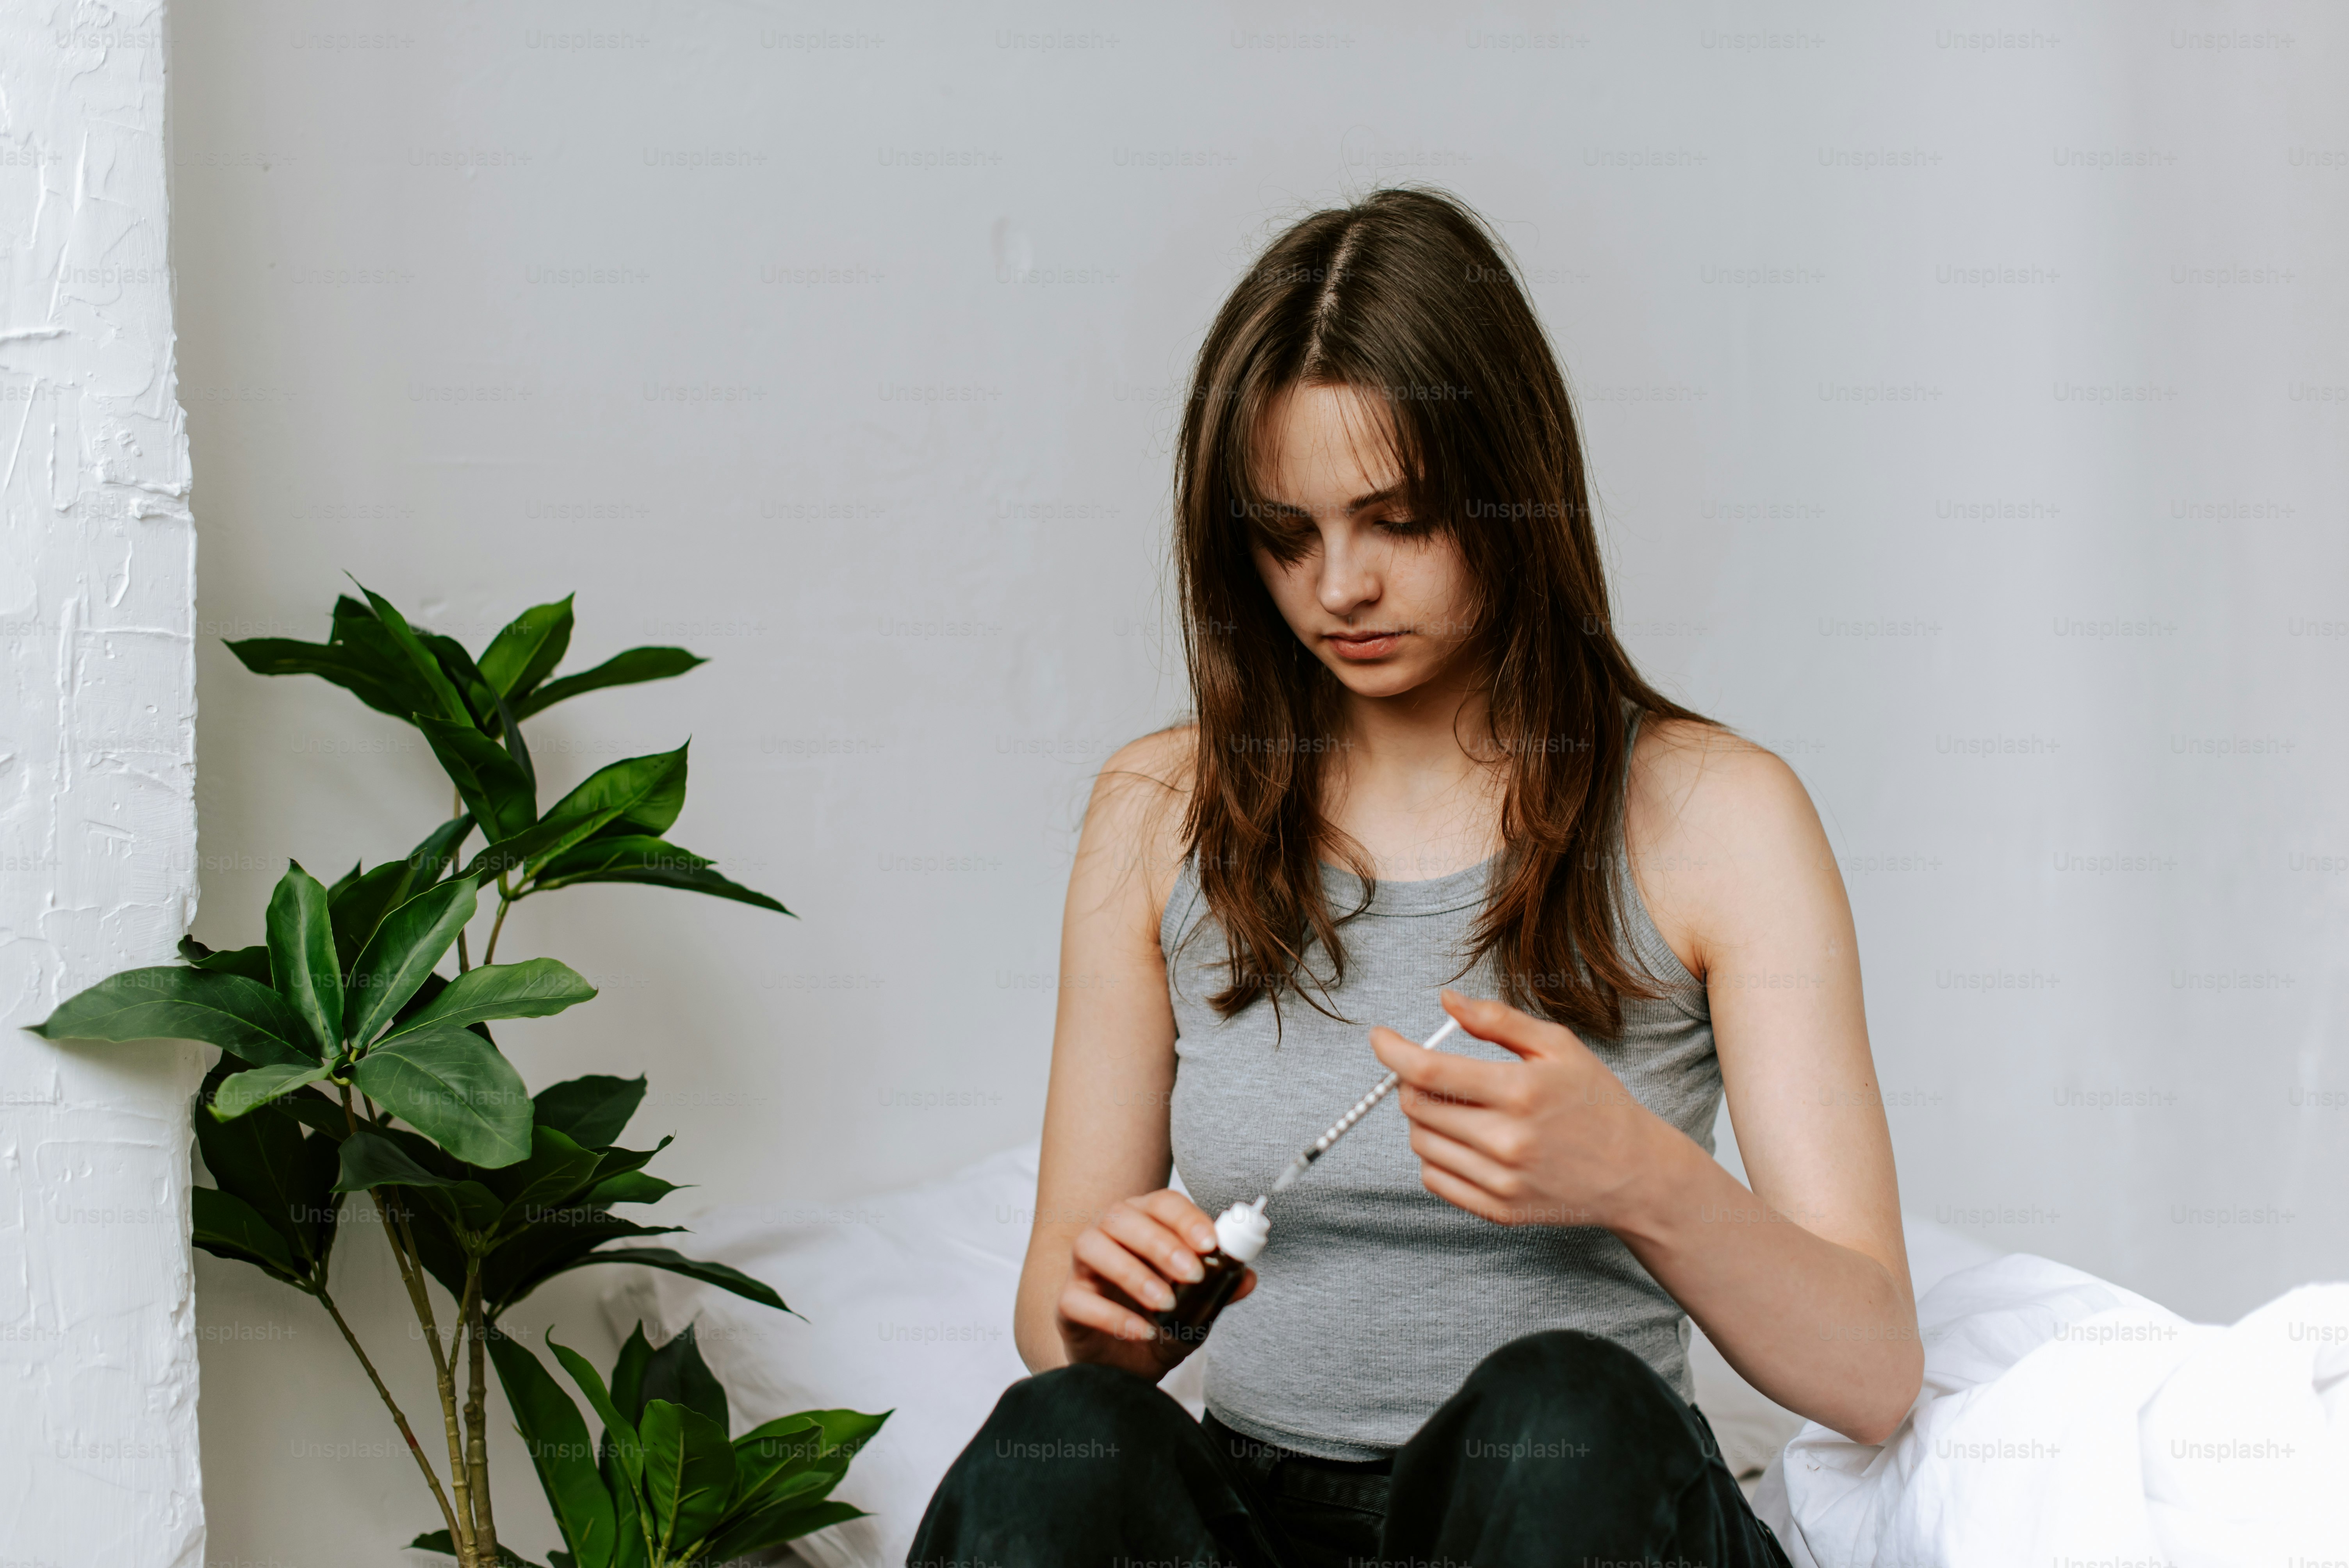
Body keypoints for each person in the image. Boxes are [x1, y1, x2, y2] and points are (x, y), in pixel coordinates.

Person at [909, 187, 1918, 1568]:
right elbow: (1056, 1318)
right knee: (1055, 1445)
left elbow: (1870, 1374)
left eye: (1398, 520)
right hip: (1258, 1511)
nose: (1339, 589)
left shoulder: (1713, 814)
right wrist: (1110, 1315)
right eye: (1286, 534)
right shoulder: (1159, 809)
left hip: (1572, 1507)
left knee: (1556, 1416)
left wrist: (1641, 1178)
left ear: (1512, 491)